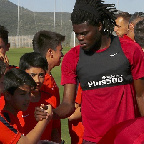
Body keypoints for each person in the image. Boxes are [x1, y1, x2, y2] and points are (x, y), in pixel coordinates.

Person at [35, 0, 144, 143]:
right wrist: (52, 113)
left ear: (99, 25)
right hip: (92, 140)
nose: (80, 38)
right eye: (77, 33)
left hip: (126, 138)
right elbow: (68, 105)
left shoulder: (130, 50)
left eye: (84, 33)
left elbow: (141, 95)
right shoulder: (72, 58)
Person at [19, 52, 61, 143]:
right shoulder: (15, 100)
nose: (37, 80)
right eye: (32, 75)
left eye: (41, 75)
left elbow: (55, 129)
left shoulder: (51, 98)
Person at [32, 30, 65, 139]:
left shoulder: (48, 77)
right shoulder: (40, 82)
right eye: (60, 50)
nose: (62, 54)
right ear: (50, 52)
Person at [1, 68, 36, 133]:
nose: (28, 98)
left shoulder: (13, 118)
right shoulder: (6, 123)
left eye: (29, 93)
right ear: (7, 95)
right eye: (22, 94)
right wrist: (43, 121)